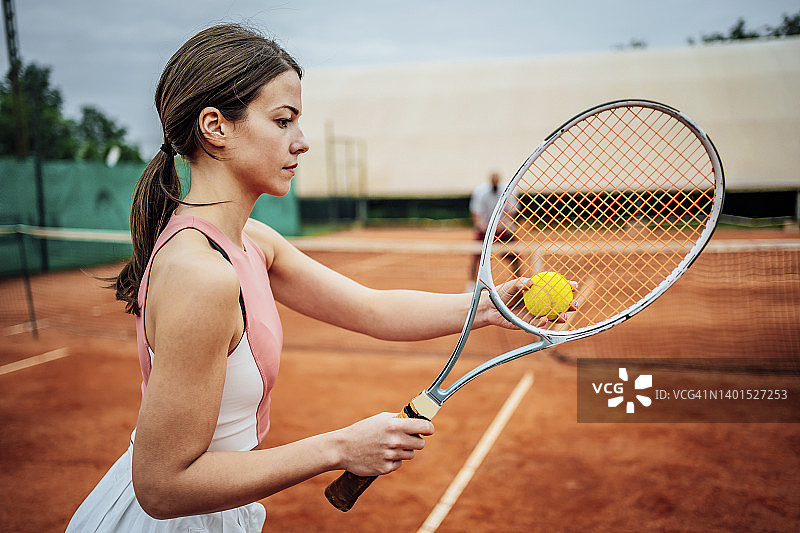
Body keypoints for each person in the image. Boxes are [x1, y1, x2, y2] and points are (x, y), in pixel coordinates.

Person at [66, 24, 539, 532]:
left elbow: (371, 309)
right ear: (215, 126)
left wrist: (488, 307)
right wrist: (340, 447)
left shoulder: (253, 241)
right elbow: (162, 486)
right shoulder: (200, 275)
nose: (302, 142)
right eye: (282, 121)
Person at [469, 172, 521, 283]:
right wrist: (485, 227)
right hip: (485, 230)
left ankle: (518, 281)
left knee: (515, 256)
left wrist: (499, 226)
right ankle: (471, 284)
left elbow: (511, 213)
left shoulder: (509, 190)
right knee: (475, 255)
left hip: (504, 230)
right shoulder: (480, 192)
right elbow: (476, 214)